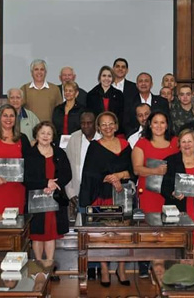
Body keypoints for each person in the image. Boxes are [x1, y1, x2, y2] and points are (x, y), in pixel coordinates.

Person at [79, 111, 133, 287]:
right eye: (103, 124)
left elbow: (133, 171)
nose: (108, 127)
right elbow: (89, 173)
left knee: (124, 235)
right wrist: (109, 178)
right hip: (101, 196)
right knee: (103, 235)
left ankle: (122, 268)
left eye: (111, 123)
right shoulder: (94, 147)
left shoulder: (126, 145)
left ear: (116, 125)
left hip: (122, 197)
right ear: (99, 128)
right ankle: (104, 268)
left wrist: (118, 175)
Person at [131, 111, 178, 277]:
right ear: (149, 125)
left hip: (170, 194)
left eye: (162, 122)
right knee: (150, 228)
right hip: (149, 194)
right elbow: (137, 169)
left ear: (167, 124)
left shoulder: (175, 142)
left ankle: (167, 263)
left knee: (169, 228)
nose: (159, 126)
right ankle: (147, 264)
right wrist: (156, 171)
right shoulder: (142, 143)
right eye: (155, 122)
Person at [161, 129, 194, 259]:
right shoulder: (170, 161)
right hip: (178, 209)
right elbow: (164, 188)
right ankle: (183, 275)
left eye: (189, 141)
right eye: (183, 141)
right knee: (182, 246)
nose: (186, 144)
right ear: (179, 144)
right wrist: (173, 193)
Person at [24, 121, 71, 261]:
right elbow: (25, 178)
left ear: (53, 136)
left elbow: (67, 174)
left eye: (49, 133)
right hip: (36, 200)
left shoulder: (59, 153)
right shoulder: (29, 154)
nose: (45, 136)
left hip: (54, 198)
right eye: (42, 133)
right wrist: (45, 183)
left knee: (51, 233)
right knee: (37, 234)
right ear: (36, 135)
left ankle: (49, 265)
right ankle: (38, 266)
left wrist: (54, 185)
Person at [64, 112, 100, 219]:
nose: (85, 126)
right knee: (80, 229)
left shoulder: (103, 137)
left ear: (95, 124)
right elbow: (67, 166)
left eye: (89, 123)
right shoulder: (74, 138)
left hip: (100, 192)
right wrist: (70, 193)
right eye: (83, 123)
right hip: (78, 191)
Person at [52, 81, 84, 145]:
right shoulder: (58, 109)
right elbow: (54, 127)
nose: (67, 93)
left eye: (70, 91)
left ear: (76, 93)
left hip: (76, 143)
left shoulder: (82, 110)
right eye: (66, 90)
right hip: (59, 143)